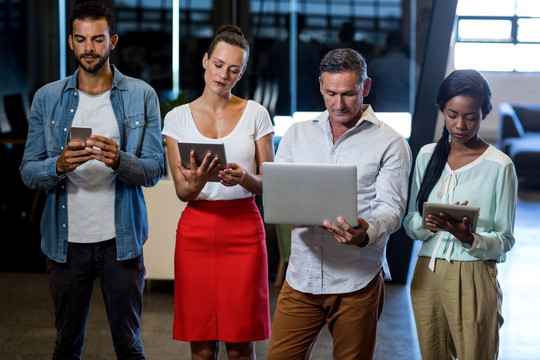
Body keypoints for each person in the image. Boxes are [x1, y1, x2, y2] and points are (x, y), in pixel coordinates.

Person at [19, 1, 164, 359]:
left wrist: (120, 161)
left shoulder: (142, 95)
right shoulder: (48, 98)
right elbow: (27, 172)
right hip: (66, 243)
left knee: (129, 346)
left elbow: (154, 169)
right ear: (70, 41)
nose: (89, 48)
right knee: (66, 345)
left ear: (111, 41)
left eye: (97, 39)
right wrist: (58, 165)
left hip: (122, 240)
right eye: (81, 39)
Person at [266, 48, 412, 360]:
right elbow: (280, 192)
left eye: (348, 93)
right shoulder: (296, 134)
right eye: (331, 93)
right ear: (320, 86)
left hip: (356, 280)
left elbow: (392, 208)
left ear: (366, 87)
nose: (338, 104)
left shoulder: (391, 142)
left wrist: (367, 231)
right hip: (301, 276)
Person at [161, 25, 274, 359]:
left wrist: (243, 179)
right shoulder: (177, 119)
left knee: (241, 346)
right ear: (206, 60)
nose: (224, 74)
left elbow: (271, 182)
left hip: (243, 230)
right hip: (196, 232)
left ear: (241, 74)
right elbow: (183, 192)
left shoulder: (256, 114)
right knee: (202, 348)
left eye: (234, 69)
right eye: (219, 64)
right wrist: (199, 180)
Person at [403, 69, 517, 360]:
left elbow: (504, 239)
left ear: (484, 114)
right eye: (452, 114)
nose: (460, 125)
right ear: (442, 110)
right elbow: (410, 221)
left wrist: (470, 238)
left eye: (471, 116)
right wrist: (428, 225)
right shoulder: (427, 156)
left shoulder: (500, 166)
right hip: (427, 274)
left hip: (473, 274)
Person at [368, 31, 412, 112]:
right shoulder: (412, 66)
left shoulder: (377, 65)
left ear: (386, 45)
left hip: (381, 111)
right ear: (402, 45)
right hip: (405, 113)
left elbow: (369, 90)